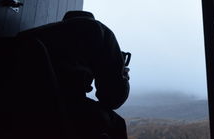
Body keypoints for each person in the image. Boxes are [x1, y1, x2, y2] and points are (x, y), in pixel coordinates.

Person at [17, 11, 130, 139]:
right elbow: (112, 99)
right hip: (60, 107)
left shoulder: (32, 34)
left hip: (15, 106)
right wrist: (124, 75)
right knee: (117, 124)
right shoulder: (99, 31)